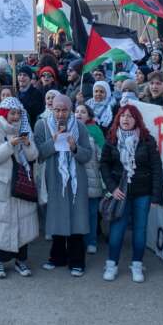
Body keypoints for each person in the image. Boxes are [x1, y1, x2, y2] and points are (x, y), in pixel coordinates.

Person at [99, 104, 163, 282]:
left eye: (130, 116)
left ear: (137, 120)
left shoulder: (147, 140)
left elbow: (157, 168)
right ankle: (111, 263)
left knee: (140, 230)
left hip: (143, 192)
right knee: (117, 229)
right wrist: (112, 188)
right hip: (121, 192)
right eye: (123, 116)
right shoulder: (111, 139)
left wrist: (156, 195)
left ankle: (137, 264)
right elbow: (104, 165)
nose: (126, 119)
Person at [35, 94, 92, 277]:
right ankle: (57, 257)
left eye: (64, 110)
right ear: (51, 108)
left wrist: (75, 148)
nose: (60, 114)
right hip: (53, 178)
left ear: (70, 109)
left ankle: (77, 261)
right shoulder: (42, 125)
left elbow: (87, 156)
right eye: (57, 109)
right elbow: (38, 154)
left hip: (76, 182)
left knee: (77, 219)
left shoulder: (80, 127)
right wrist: (53, 141)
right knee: (56, 217)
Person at [0, 96, 39, 279]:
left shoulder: (24, 130)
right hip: (0, 185)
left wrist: (28, 144)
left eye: (17, 113)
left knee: (22, 224)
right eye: (12, 113)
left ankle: (21, 261)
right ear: (4, 113)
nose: (15, 117)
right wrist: (9, 145)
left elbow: (33, 156)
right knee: (1, 223)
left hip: (22, 183)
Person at [75, 104, 105, 255]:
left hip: (92, 178)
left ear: (89, 115)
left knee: (92, 212)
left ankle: (91, 241)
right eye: (77, 111)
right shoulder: (70, 130)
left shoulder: (95, 131)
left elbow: (103, 155)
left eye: (83, 112)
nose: (79, 114)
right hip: (76, 178)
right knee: (78, 212)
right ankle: (79, 241)